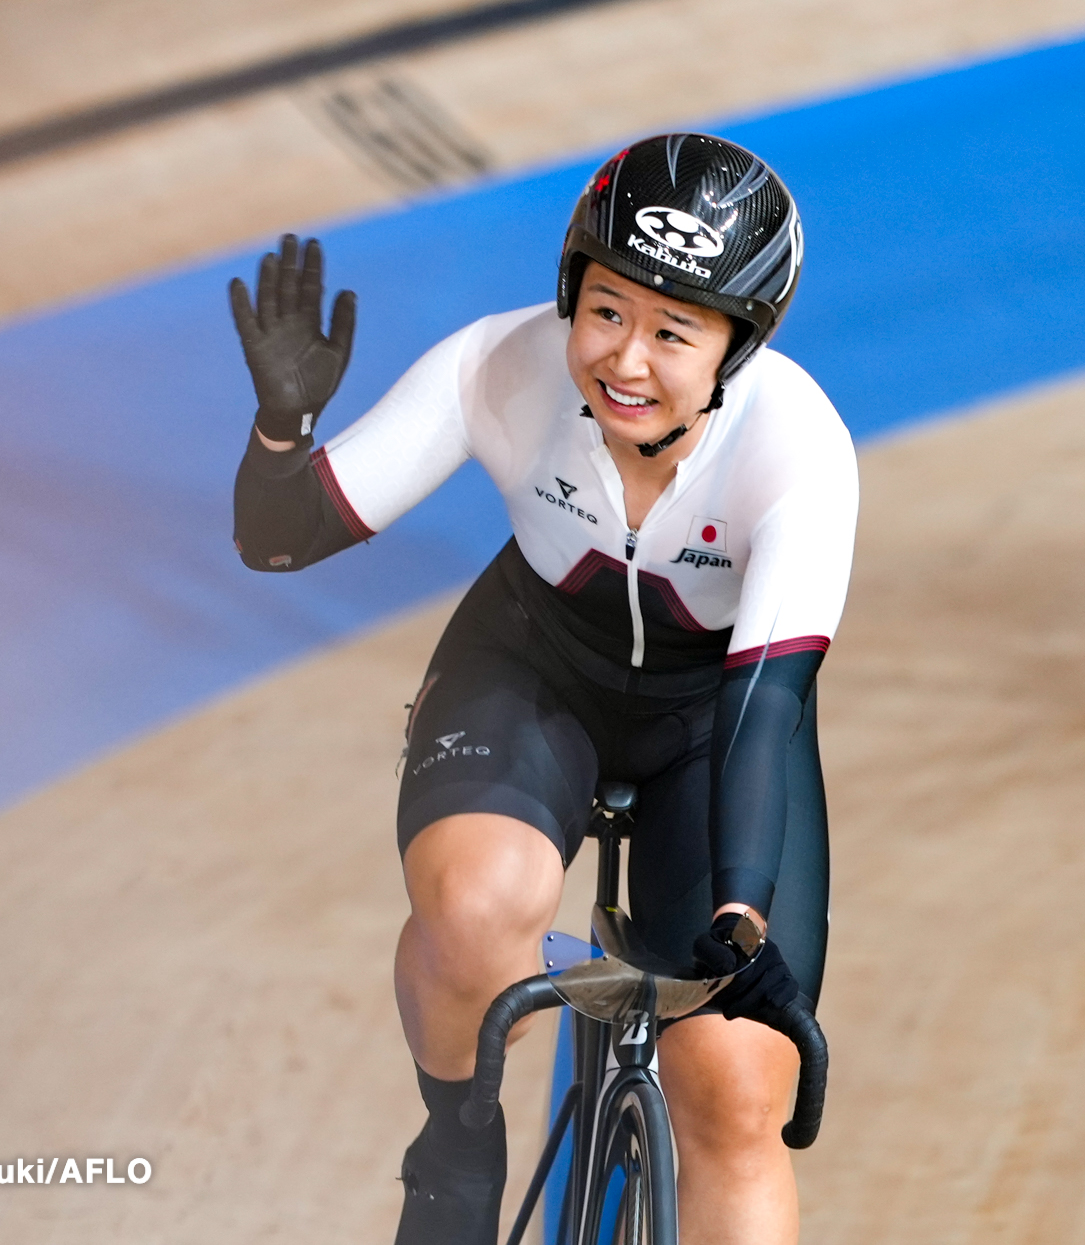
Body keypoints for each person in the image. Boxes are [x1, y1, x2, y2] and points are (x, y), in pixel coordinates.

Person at [229, 132, 857, 1245]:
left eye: (674, 331)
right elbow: (277, 538)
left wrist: (738, 913)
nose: (625, 358)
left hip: (716, 720)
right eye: (605, 309)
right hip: (532, 663)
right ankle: (456, 1148)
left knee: (736, 1088)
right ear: (569, 291)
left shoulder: (798, 453)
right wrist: (284, 427)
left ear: (738, 345)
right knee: (475, 910)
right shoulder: (498, 365)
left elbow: (766, 706)